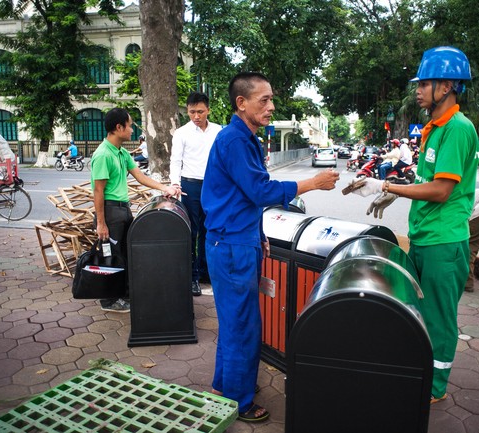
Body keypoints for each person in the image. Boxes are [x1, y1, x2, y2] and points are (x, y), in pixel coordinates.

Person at [202, 72, 339, 423]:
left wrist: (258, 234)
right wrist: (312, 183)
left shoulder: (242, 138)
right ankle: (238, 401)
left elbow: (241, 198)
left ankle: (225, 385)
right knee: (242, 326)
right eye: (263, 100)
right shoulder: (235, 141)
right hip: (231, 246)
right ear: (241, 103)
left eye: (271, 99)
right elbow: (260, 192)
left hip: (235, 239)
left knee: (235, 321)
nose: (271, 106)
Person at [347, 46, 478, 404]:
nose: (418, 90)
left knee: (438, 317)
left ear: (447, 86)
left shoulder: (456, 129)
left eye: (425, 83)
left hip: (443, 241)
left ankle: (435, 388)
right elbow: (426, 181)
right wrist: (399, 194)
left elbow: (440, 190)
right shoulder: (434, 129)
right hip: (425, 236)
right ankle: (420, 370)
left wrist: (388, 186)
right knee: (419, 311)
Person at [90, 108, 179, 313]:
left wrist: (165, 188)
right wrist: (101, 223)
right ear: (118, 127)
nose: (132, 129)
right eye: (129, 125)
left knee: (124, 253)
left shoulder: (121, 152)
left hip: (122, 210)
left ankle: (123, 294)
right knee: (111, 256)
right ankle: (109, 301)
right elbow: (98, 191)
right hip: (110, 213)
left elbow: (140, 176)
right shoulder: (103, 155)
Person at [169, 92, 222, 296]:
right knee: (191, 232)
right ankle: (192, 277)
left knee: (210, 230)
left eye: (200, 111)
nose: (196, 116)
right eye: (192, 112)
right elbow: (176, 160)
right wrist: (175, 184)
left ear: (208, 110)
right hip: (189, 186)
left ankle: (206, 272)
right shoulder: (181, 133)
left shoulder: (218, 131)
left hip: (213, 186)